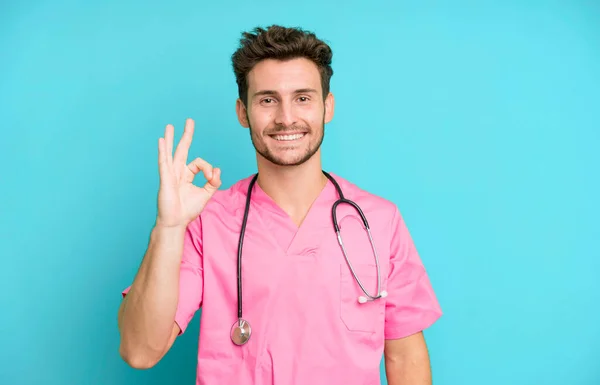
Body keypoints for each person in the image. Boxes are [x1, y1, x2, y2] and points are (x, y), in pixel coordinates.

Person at [117, 25, 443, 385]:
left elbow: (406, 359)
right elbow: (140, 350)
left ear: (327, 106)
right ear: (243, 112)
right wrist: (169, 227)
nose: (286, 117)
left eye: (303, 98)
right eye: (267, 100)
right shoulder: (207, 223)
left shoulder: (379, 221)